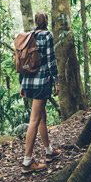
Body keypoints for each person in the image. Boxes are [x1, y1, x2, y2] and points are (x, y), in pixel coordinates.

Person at [20, 12, 60, 172]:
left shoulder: (30, 36)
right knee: (35, 120)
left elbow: (22, 61)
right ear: (47, 21)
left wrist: (22, 84)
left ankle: (49, 151)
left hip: (29, 82)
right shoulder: (47, 36)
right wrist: (56, 80)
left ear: (36, 22)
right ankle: (27, 162)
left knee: (42, 116)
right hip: (42, 81)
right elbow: (50, 60)